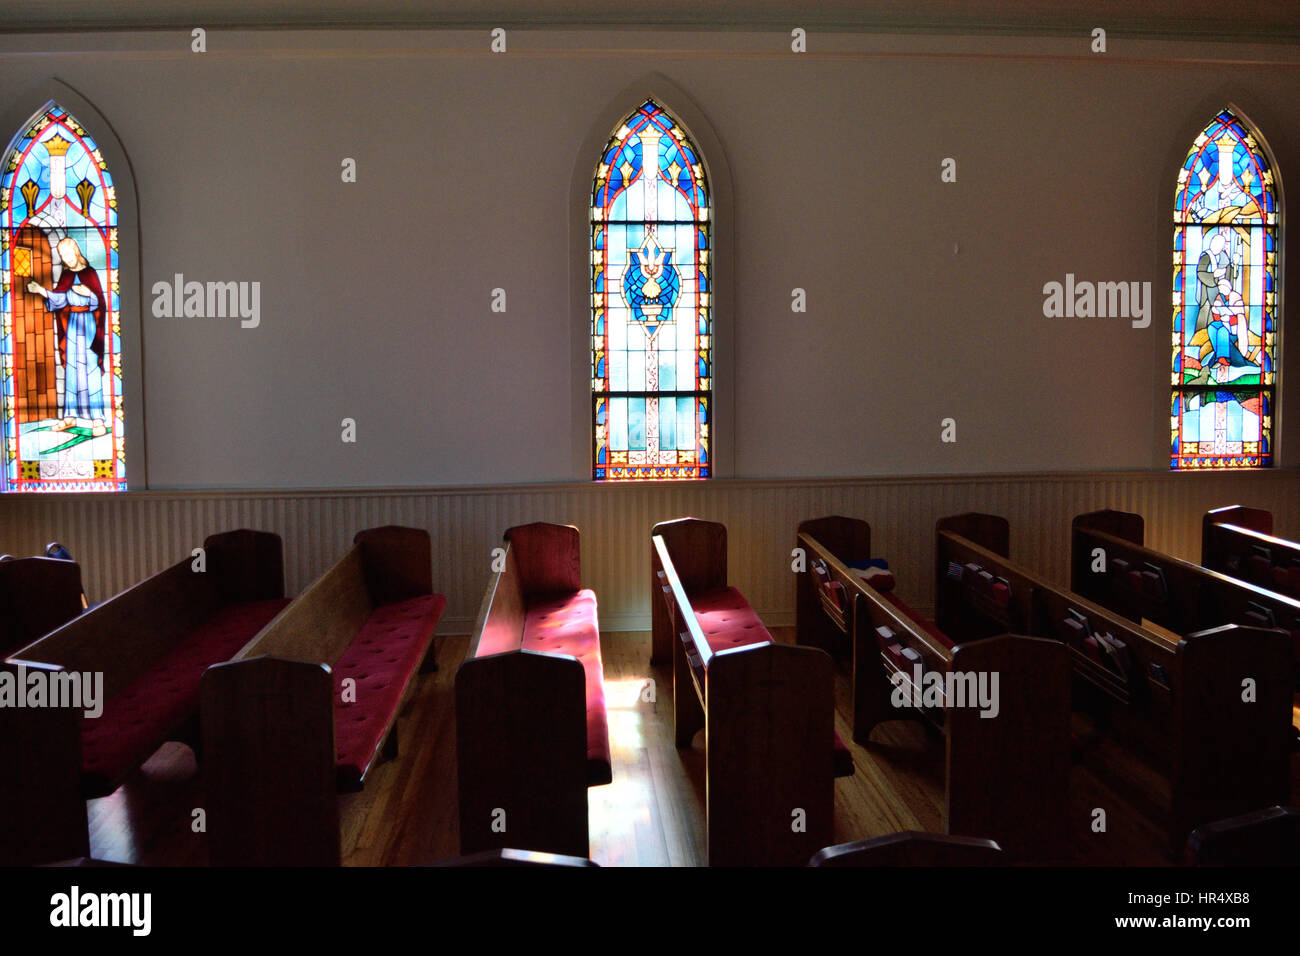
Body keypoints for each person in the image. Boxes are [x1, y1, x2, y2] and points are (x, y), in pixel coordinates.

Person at [26, 236, 108, 434]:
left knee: (91, 369)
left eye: (69, 254)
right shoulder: (66, 276)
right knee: (72, 369)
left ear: (76, 252)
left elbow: (100, 302)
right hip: (72, 326)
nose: (66, 259)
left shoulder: (90, 273)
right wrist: (41, 291)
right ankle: (70, 416)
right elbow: (60, 299)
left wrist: (88, 293)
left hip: (88, 325)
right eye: (63, 256)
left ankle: (98, 419)